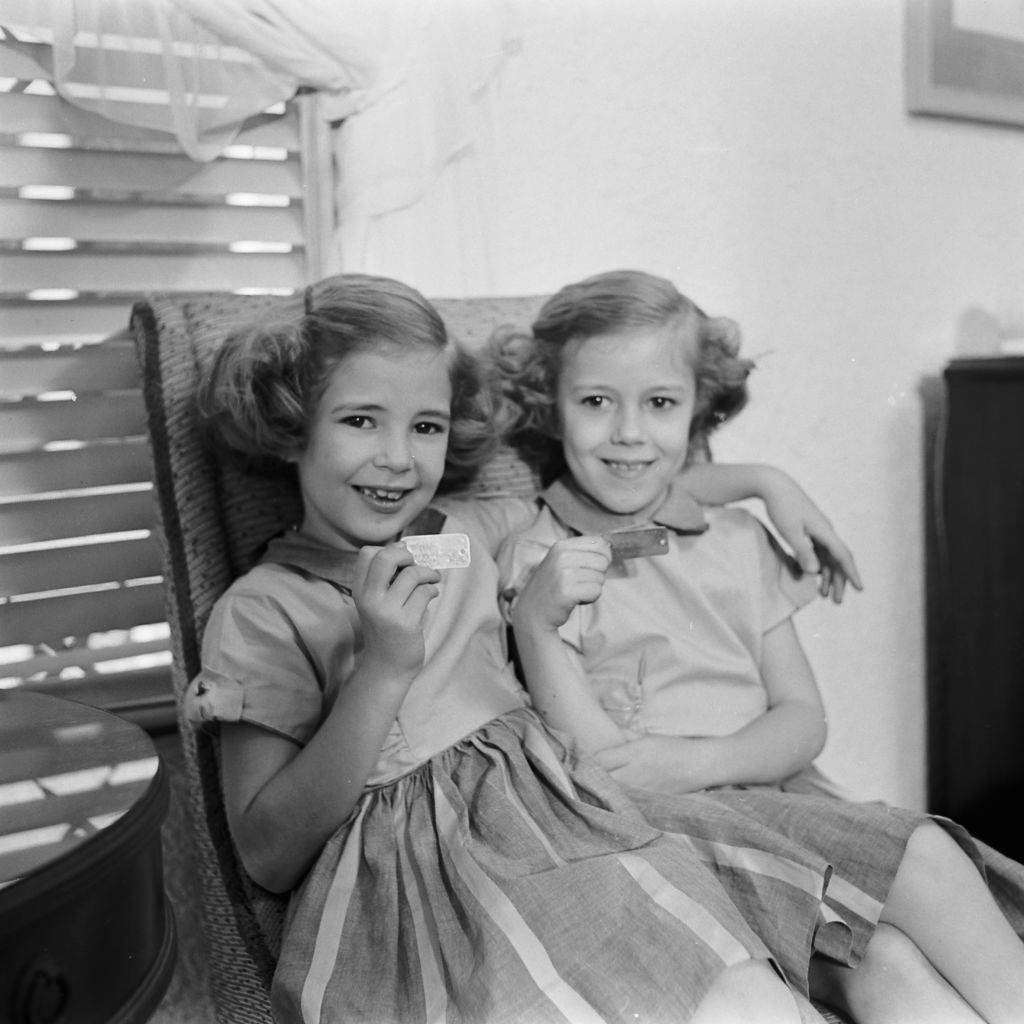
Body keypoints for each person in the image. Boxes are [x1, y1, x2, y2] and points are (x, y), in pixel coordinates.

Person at [185, 272, 854, 1024]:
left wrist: (766, 481)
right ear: (290, 424)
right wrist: (381, 673)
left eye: (427, 427)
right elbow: (267, 854)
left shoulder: (464, 536)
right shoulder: (264, 609)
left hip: (570, 818)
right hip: (427, 880)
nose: (399, 459)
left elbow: (613, 495)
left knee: (744, 993)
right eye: (360, 421)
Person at [495, 269, 1024, 1024]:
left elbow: (803, 719)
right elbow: (601, 770)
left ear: (698, 408)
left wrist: (698, 758)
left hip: (777, 800)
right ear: (551, 408)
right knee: (920, 854)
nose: (628, 434)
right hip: (670, 833)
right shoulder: (545, 565)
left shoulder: (737, 539)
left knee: (893, 964)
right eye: (595, 403)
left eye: (661, 404)